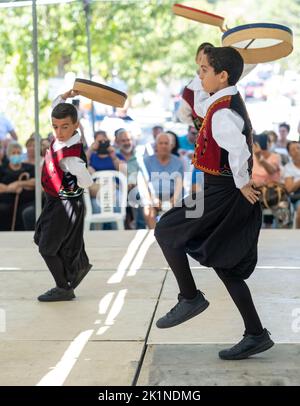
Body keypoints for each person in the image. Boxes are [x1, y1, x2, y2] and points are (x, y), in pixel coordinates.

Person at [154, 46, 274, 360]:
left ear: (222, 76)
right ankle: (256, 334)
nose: (199, 75)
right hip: (223, 191)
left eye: (204, 70)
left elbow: (239, 151)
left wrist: (242, 182)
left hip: (222, 192)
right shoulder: (222, 99)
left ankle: (190, 297)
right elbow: (196, 99)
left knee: (166, 229)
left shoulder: (222, 111)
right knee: (227, 266)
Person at [34, 92, 93, 302]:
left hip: (65, 204)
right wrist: (68, 94)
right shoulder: (62, 139)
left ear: (76, 125)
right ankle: (79, 266)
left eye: (65, 126)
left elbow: (86, 180)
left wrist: (73, 186)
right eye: (55, 127)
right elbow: (56, 105)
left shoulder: (71, 157)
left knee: (47, 248)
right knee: (42, 238)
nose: (59, 132)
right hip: (55, 201)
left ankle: (63, 287)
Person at [284, 141, 300, 228]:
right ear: (289, 154)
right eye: (293, 149)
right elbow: (289, 189)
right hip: (297, 197)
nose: (297, 151)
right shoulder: (288, 167)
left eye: (298, 148)